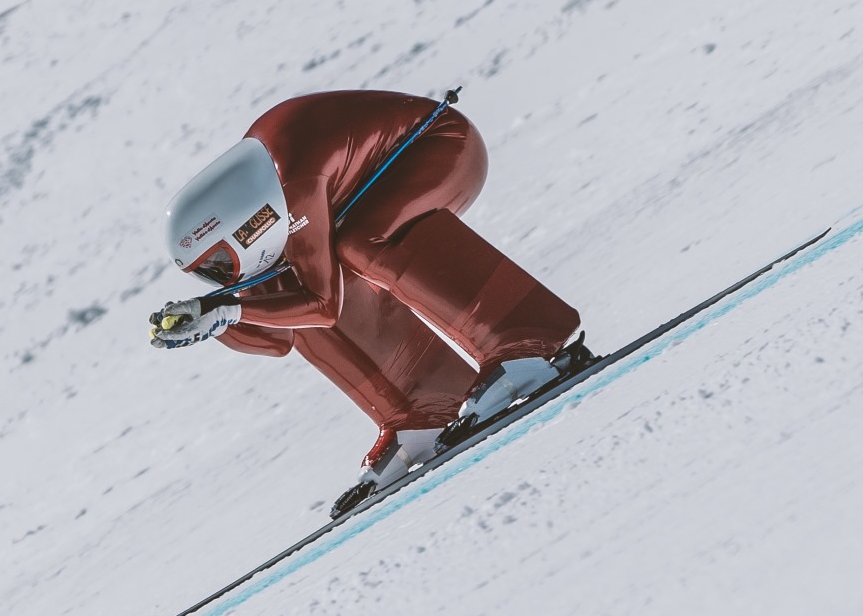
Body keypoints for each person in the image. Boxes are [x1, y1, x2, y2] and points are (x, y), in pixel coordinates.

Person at [150, 89, 585, 510]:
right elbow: (280, 339)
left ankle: (525, 339)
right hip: (362, 191)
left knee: (361, 241)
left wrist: (227, 310)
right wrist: (216, 323)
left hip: (442, 147)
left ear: (242, 225)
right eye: (209, 276)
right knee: (278, 288)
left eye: (220, 264)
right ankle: (423, 408)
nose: (228, 277)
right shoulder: (268, 200)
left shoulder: (295, 184)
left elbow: (321, 306)